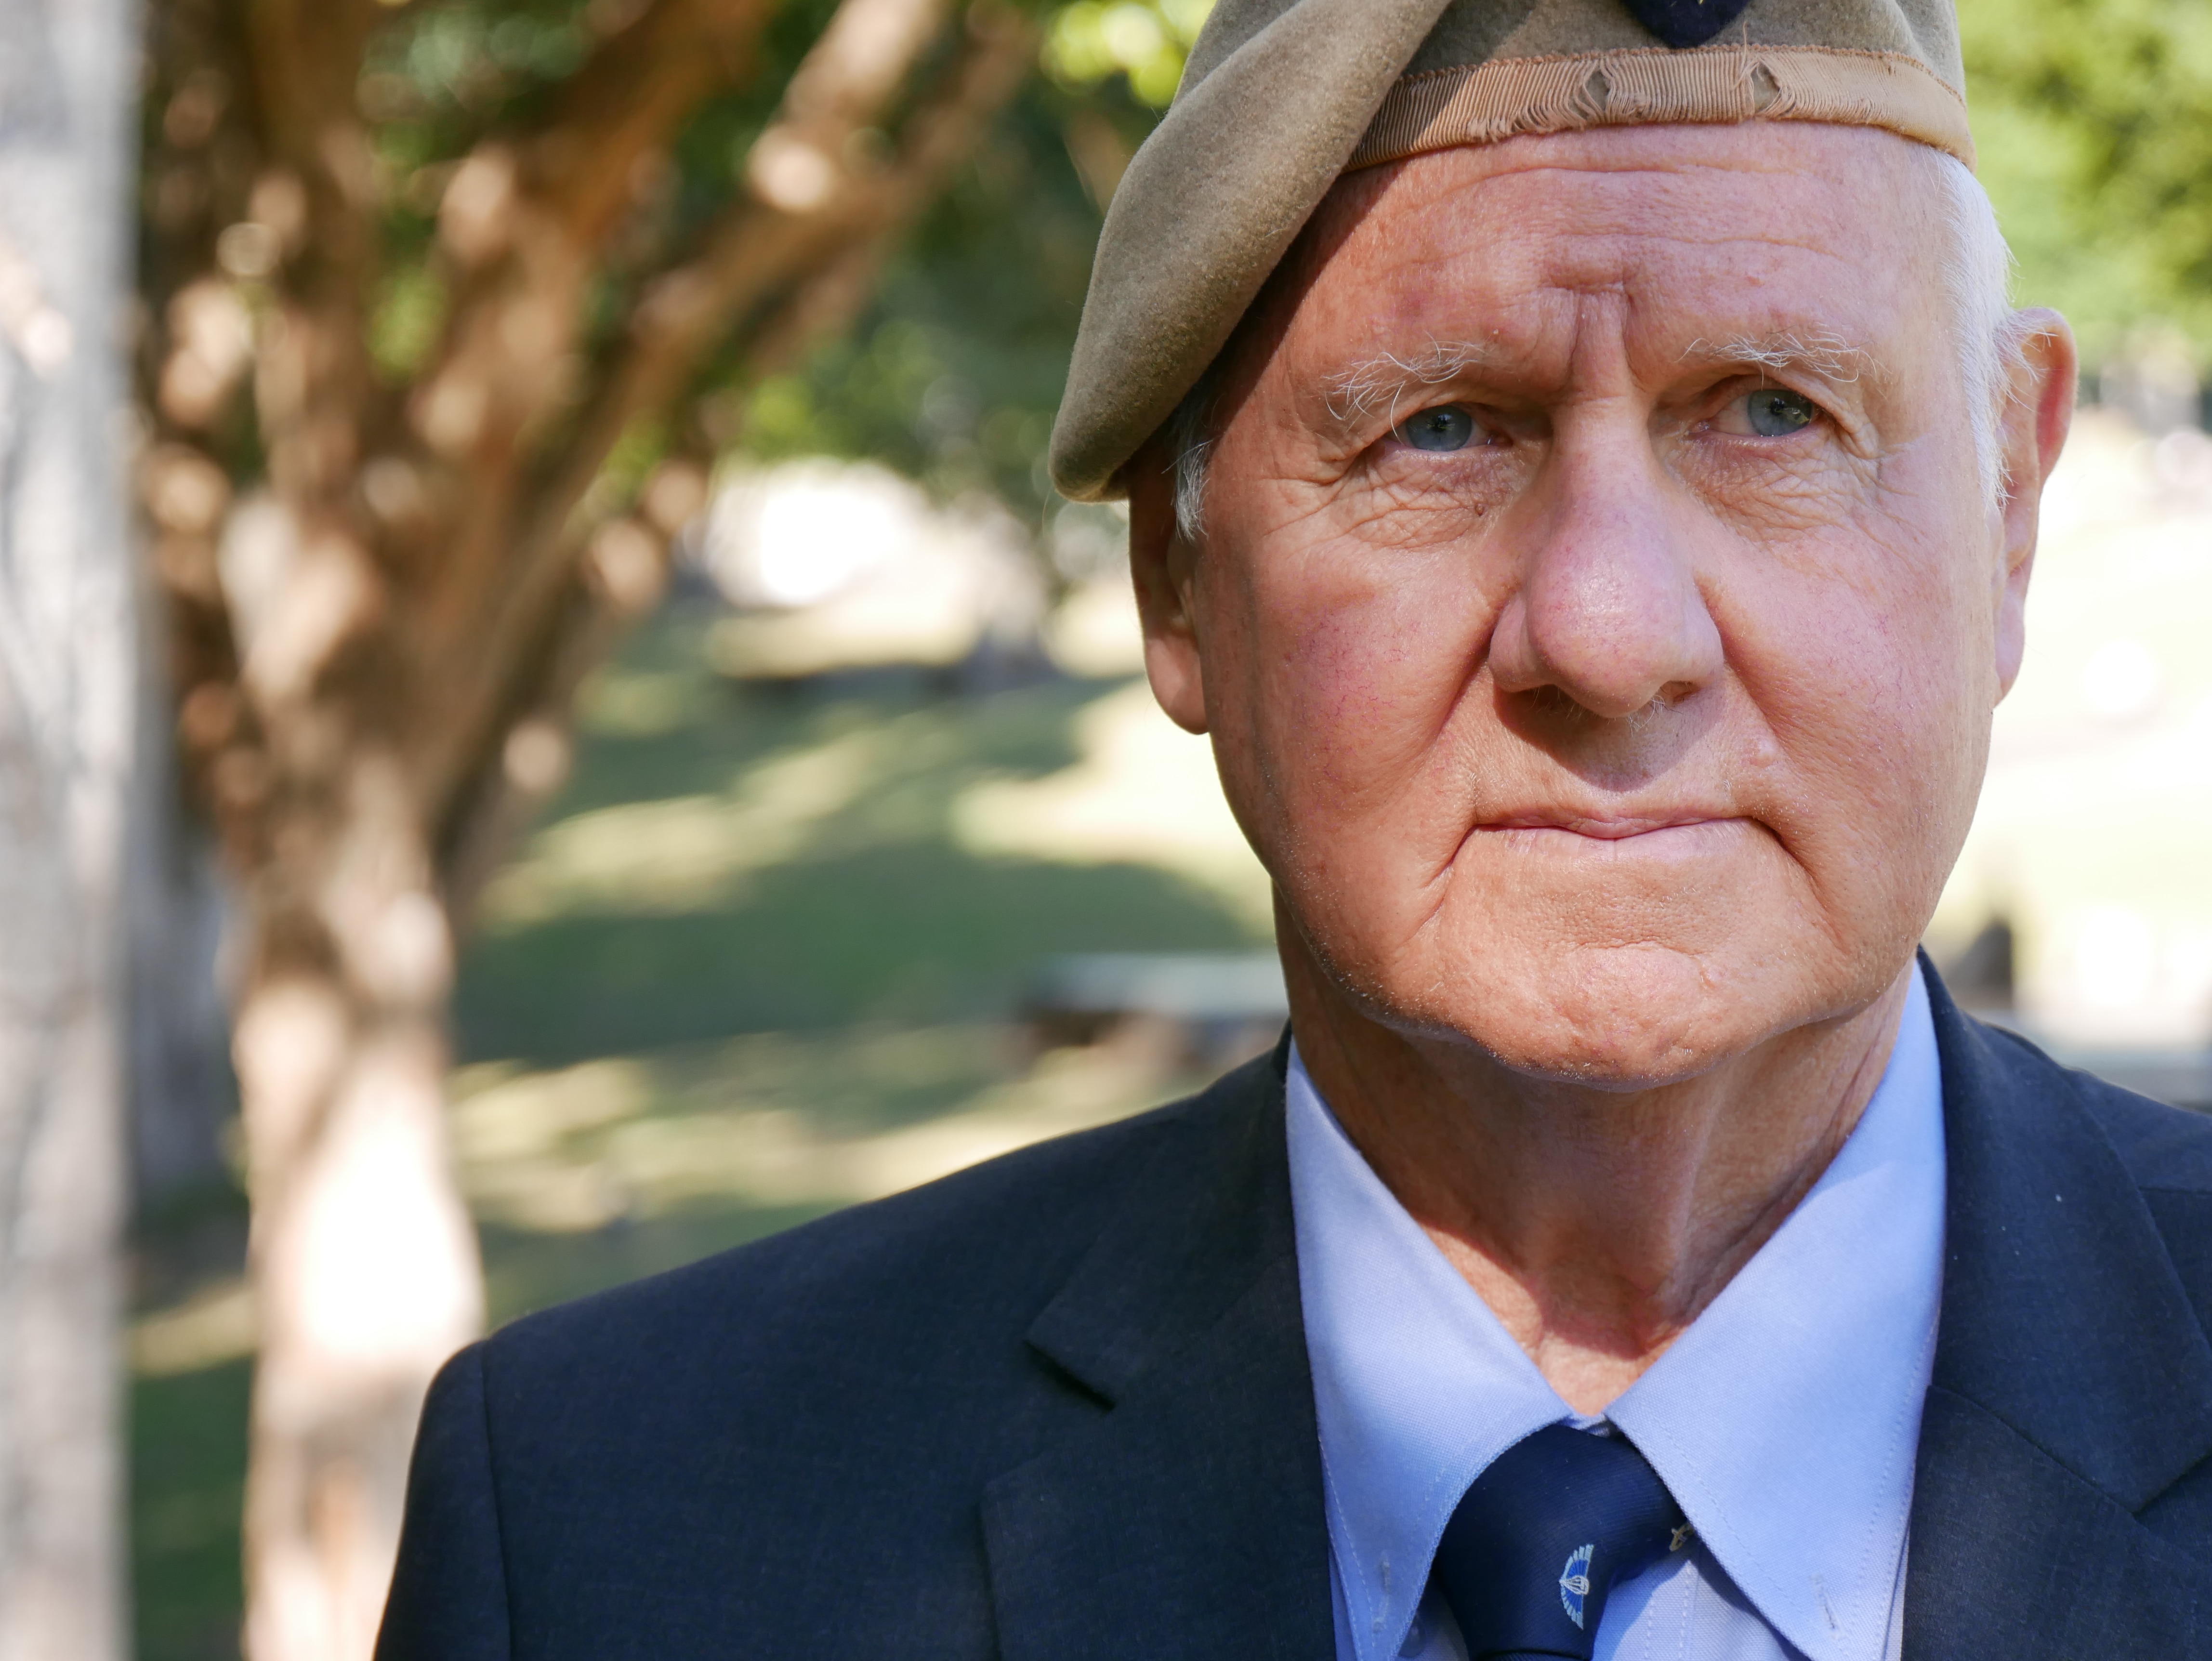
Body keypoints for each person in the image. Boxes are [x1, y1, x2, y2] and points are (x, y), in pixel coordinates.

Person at [377, 0, 2212, 1656]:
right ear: (1177, 582)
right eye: (1442, 433)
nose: (1607, 632)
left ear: (2010, 512)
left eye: (1769, 412)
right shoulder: (619, 1540)